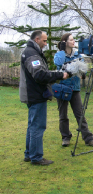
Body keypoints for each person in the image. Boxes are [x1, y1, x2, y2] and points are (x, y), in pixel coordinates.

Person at [20, 30, 69, 166]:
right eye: (44, 40)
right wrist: (60, 75)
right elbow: (40, 75)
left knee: (32, 126)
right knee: (37, 126)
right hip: (35, 95)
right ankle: (36, 157)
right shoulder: (31, 54)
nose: (46, 43)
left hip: (33, 94)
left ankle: (29, 154)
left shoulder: (31, 52)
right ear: (37, 39)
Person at [54, 33, 93, 147]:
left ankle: (88, 138)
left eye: (74, 39)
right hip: (62, 88)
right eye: (71, 40)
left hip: (75, 88)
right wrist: (62, 50)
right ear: (65, 42)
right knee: (63, 115)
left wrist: (83, 73)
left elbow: (83, 67)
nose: (74, 41)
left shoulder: (78, 54)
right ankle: (65, 137)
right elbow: (59, 63)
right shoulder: (59, 55)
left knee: (80, 114)